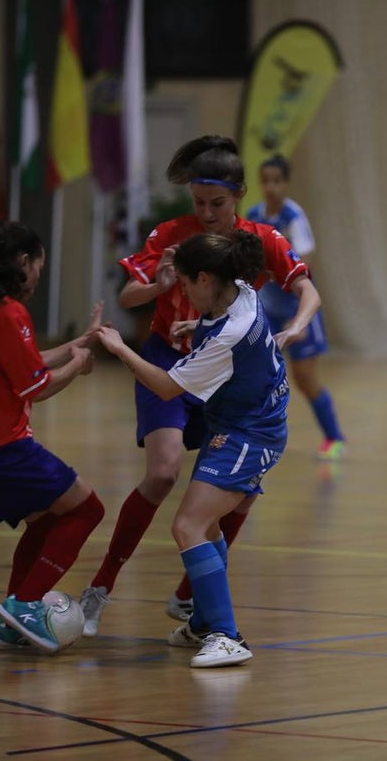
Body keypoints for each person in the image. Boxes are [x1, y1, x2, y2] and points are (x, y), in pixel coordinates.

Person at [80, 135, 321, 635]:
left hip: (225, 378)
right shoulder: (173, 234)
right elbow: (128, 295)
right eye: (198, 203)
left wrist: (297, 326)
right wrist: (161, 286)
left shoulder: (260, 240)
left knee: (238, 494)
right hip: (169, 363)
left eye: (217, 203)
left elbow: (307, 289)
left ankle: (193, 600)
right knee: (164, 472)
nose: (207, 213)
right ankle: (99, 588)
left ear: (238, 196)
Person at [97, 230, 290, 667]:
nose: (180, 292)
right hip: (241, 422)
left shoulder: (228, 336)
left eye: (184, 284)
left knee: (187, 526)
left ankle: (227, 635)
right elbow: (220, 331)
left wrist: (120, 349)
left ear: (204, 279)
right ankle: (204, 622)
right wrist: (195, 326)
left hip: (250, 433)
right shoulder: (240, 290)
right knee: (208, 526)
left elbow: (166, 386)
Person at [0, 220, 106, 654]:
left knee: (50, 517)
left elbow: (23, 361)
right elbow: (37, 386)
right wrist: (79, 365)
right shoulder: (9, 312)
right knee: (88, 509)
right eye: (38, 266)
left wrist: (76, 343)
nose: (38, 277)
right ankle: (27, 603)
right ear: (22, 262)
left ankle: (12, 620)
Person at [245, 155, 346, 460]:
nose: (271, 187)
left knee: (304, 378)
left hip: (296, 310)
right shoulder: (253, 215)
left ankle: (334, 436)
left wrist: (280, 265)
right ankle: (252, 436)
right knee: (256, 376)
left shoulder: (293, 216)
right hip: (266, 310)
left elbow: (305, 260)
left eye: (276, 181)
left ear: (286, 183)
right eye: (265, 181)